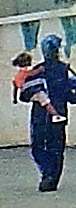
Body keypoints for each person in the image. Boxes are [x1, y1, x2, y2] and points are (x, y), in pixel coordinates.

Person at [21, 35, 76, 192]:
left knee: (49, 147)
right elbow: (24, 93)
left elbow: (72, 94)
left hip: (49, 116)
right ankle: (49, 175)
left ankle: (50, 176)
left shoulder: (62, 71)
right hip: (47, 115)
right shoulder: (42, 71)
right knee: (47, 147)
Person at [12, 52, 60, 118]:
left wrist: (15, 99)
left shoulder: (18, 75)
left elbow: (15, 87)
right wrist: (40, 69)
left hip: (26, 93)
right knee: (45, 100)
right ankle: (55, 115)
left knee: (42, 100)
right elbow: (33, 73)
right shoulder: (25, 71)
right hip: (31, 91)